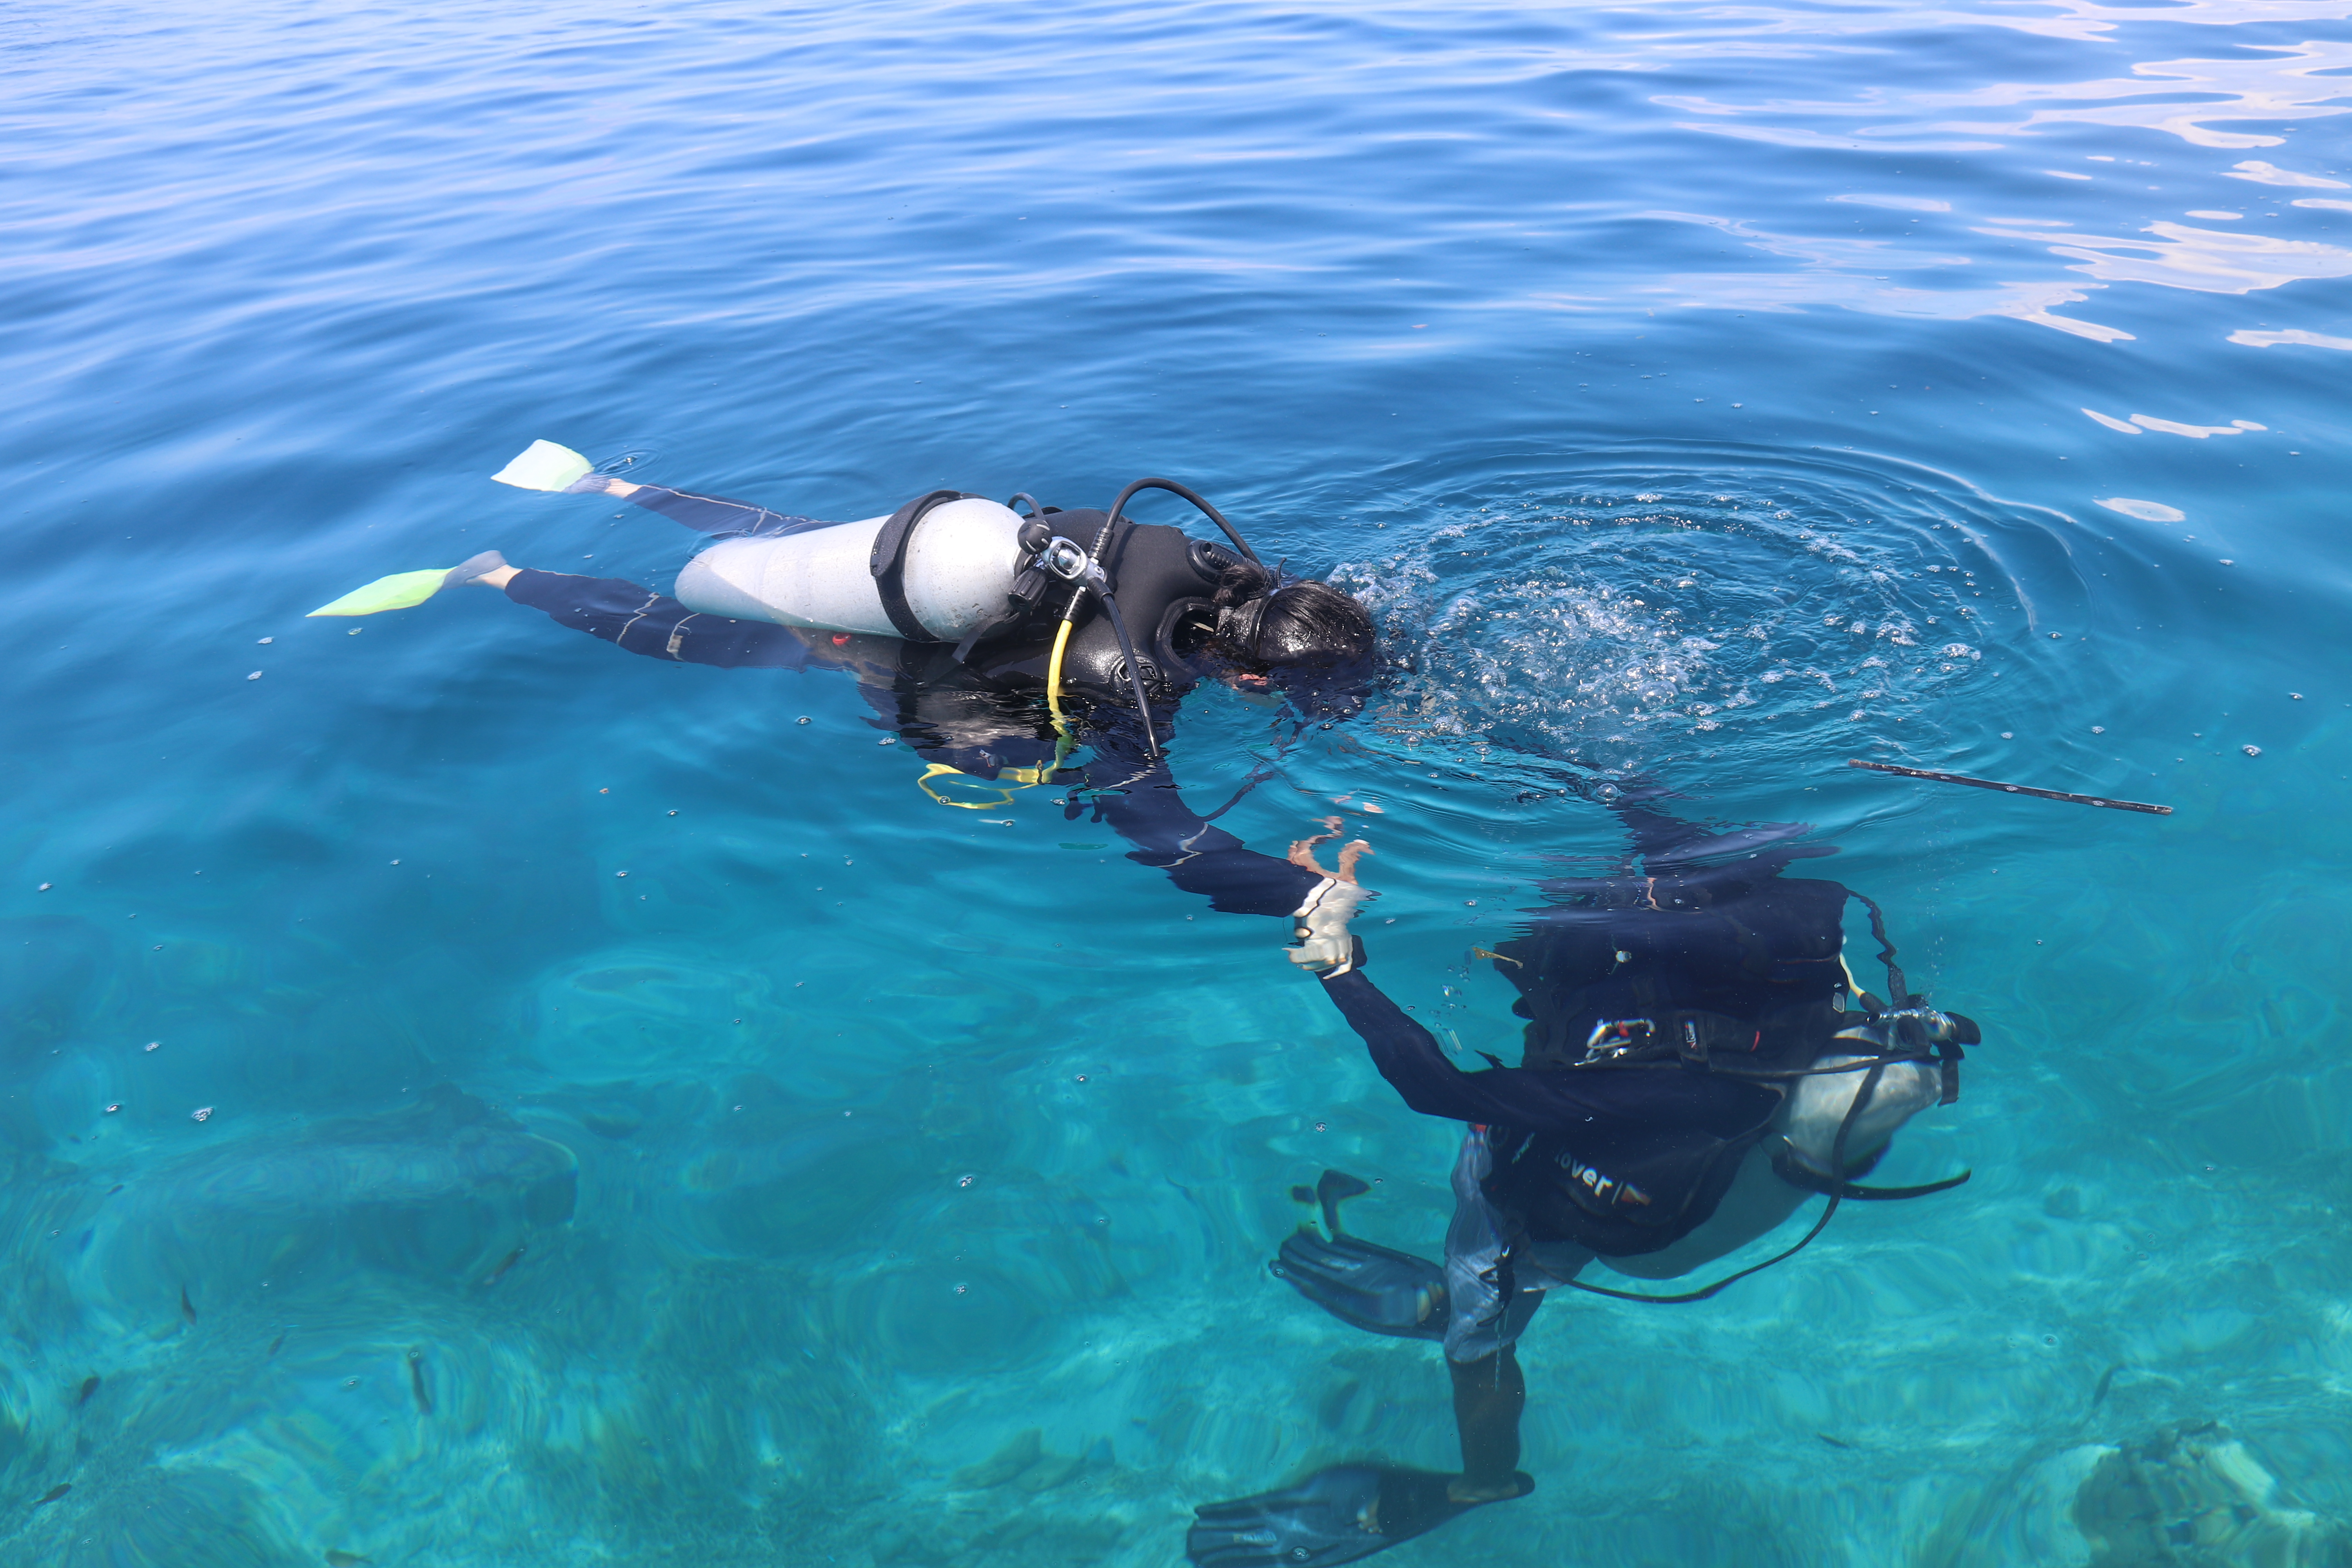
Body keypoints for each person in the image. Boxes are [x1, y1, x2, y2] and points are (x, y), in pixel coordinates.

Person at [1186, 796, 1980, 1568]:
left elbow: (1435, 1088)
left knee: (1484, 1311)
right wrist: (1604, 781)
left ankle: (1483, 1477)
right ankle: (1466, 1307)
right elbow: (1676, 835)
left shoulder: (1639, 1078)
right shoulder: (1764, 979)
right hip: (1684, 1167)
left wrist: (1336, 959)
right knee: (1539, 1211)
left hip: (1593, 1198)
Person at [312, 441, 1375, 909]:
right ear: (1249, 677)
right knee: (714, 634)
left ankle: (608, 487)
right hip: (907, 638)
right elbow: (1168, 842)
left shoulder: (1208, 560)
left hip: (933, 552)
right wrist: (1308, 890)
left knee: (787, 540)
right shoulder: (1130, 686)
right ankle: (493, 572)